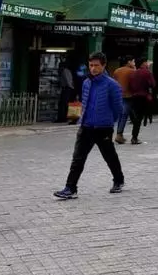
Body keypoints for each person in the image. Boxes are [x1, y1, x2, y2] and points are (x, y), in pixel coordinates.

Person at [53, 52, 125, 199]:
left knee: (109, 155)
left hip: (103, 127)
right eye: (91, 65)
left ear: (103, 65)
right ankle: (70, 188)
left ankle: (118, 180)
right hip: (86, 126)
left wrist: (109, 120)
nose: (93, 68)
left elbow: (119, 108)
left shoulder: (112, 85)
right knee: (78, 158)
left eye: (96, 65)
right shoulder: (86, 83)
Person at [128, 58, 155, 145]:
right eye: (146, 62)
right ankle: (134, 137)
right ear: (143, 63)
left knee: (137, 116)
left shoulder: (133, 72)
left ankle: (134, 136)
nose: (148, 64)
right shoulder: (147, 72)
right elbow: (153, 84)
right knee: (139, 118)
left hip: (134, 97)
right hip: (143, 97)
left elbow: (130, 85)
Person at [112, 55, 135, 143]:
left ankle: (120, 134)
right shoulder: (132, 71)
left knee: (121, 115)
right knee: (124, 116)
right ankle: (119, 134)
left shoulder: (117, 71)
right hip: (128, 96)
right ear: (129, 62)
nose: (134, 63)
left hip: (118, 95)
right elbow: (134, 83)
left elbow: (114, 83)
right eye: (133, 61)